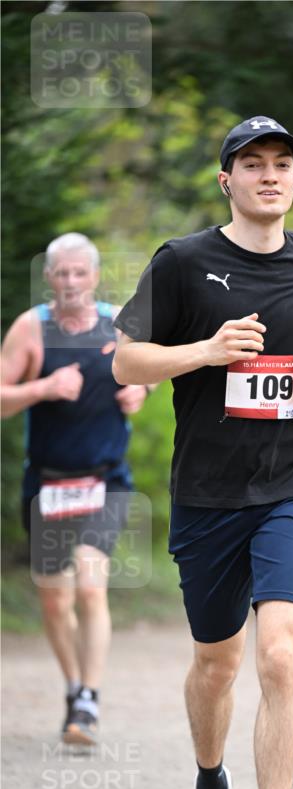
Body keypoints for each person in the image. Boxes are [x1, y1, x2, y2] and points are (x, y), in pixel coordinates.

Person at [112, 116, 293, 789]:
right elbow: (126, 356)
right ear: (227, 180)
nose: (270, 175)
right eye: (253, 164)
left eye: (282, 163)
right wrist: (205, 352)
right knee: (217, 664)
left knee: (280, 651)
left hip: (291, 483)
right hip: (208, 494)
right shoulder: (184, 262)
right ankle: (210, 788)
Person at [0, 232, 151, 746]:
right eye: (60, 273)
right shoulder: (31, 330)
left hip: (105, 482)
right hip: (47, 484)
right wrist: (42, 387)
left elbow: (147, 371)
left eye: (79, 273)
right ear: (49, 278)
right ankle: (72, 685)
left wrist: (140, 389)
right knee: (53, 603)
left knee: (90, 585)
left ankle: (89, 696)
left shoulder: (118, 324)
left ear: (94, 276)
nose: (69, 282)